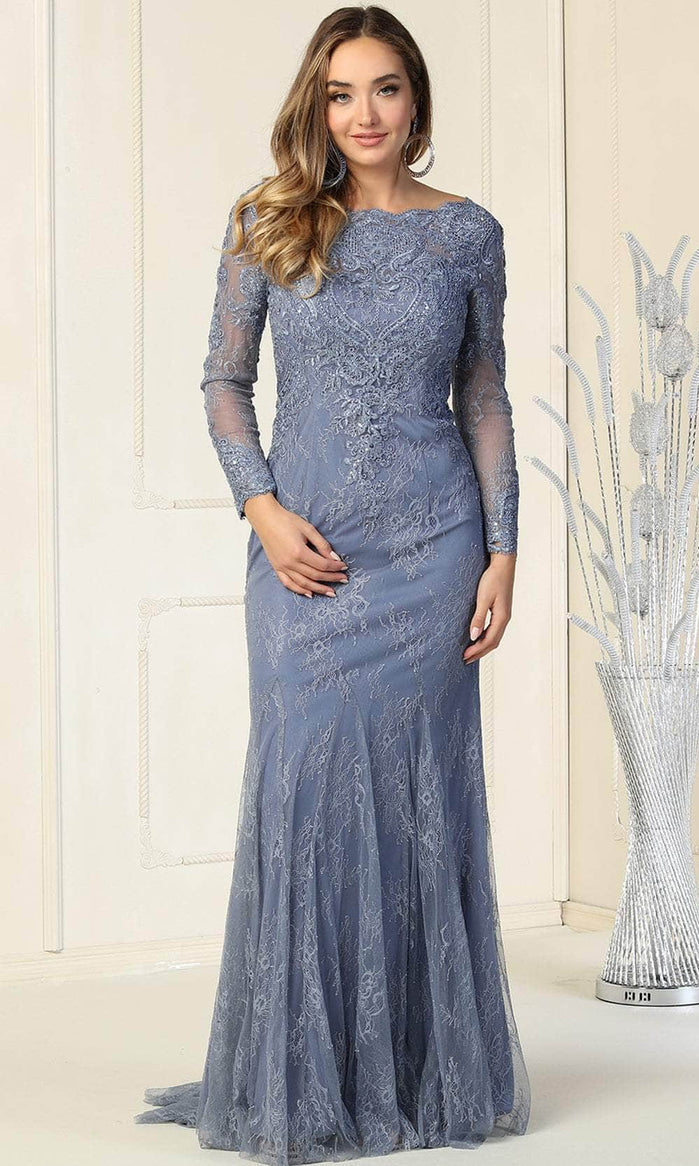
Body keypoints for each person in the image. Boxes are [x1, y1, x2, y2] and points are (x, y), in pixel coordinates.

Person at [134, 5, 531, 1162]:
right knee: (306, 788)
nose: (365, 114)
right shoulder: (266, 219)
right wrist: (260, 507)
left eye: (386, 88)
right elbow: (223, 381)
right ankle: (304, 1077)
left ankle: (408, 1072)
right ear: (316, 105)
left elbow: (484, 394)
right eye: (342, 92)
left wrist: (504, 549)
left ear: (416, 101)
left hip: (434, 550)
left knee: (418, 801)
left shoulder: (469, 236)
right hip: (305, 553)